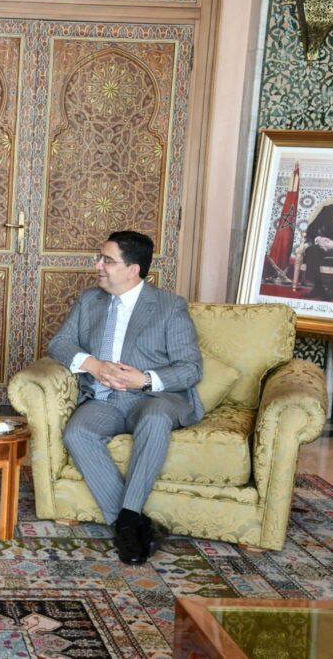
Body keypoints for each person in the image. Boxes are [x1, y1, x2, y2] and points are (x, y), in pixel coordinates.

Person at [47, 230, 203, 565]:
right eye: (99, 258)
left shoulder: (168, 307)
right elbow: (59, 343)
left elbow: (191, 369)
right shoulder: (91, 300)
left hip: (152, 399)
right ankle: (131, 524)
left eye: (107, 260)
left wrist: (144, 379)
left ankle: (128, 519)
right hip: (103, 399)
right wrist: (92, 364)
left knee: (155, 418)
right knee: (77, 432)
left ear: (133, 269)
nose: (98, 265)